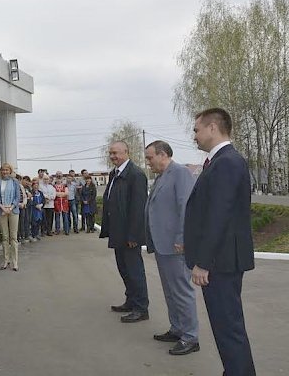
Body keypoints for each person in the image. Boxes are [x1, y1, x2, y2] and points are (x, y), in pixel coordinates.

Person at [184, 108, 255, 374]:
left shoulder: (227, 162)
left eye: (196, 129)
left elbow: (219, 216)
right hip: (221, 258)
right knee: (226, 327)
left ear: (212, 127)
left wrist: (203, 262)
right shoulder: (220, 161)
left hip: (221, 262)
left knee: (228, 328)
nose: (194, 135)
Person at [144, 140, 199, 356]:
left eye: (150, 157)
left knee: (182, 291)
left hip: (175, 245)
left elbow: (186, 207)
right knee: (170, 291)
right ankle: (177, 329)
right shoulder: (161, 177)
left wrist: (182, 238)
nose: (148, 162)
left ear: (163, 154)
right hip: (162, 244)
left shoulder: (181, 173)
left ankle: (190, 337)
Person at [100, 141, 149, 323]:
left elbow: (138, 208)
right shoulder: (115, 173)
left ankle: (141, 308)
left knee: (134, 270)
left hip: (130, 235)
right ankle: (131, 300)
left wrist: (134, 235)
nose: (113, 156)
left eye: (116, 153)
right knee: (124, 269)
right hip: (118, 231)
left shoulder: (135, 175)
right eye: (111, 153)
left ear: (126, 152)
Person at [0, 163, 21, 271]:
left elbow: (17, 197)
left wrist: (11, 207)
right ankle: (6, 260)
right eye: (3, 170)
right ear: (1, 171)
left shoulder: (15, 181)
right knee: (4, 236)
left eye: (7, 170)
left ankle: (15, 262)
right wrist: (3, 208)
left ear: (10, 171)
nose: (5, 172)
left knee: (13, 237)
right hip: (1, 210)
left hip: (13, 210)